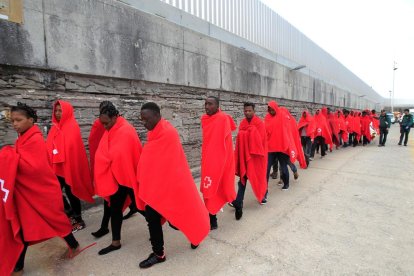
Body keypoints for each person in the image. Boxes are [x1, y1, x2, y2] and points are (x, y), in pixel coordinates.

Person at [0, 103, 81, 276]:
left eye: (19, 120)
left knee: (56, 221)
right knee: (23, 228)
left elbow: (33, 168)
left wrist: (8, 155)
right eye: (12, 120)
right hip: (27, 193)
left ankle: (74, 245)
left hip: (42, 191)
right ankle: (18, 266)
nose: (15, 124)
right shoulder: (22, 138)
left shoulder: (35, 139)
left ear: (31, 120)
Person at [135, 102, 210, 269]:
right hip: (155, 187)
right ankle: (158, 254)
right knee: (152, 218)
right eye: (142, 120)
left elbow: (173, 164)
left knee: (179, 218)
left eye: (146, 119)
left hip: (171, 185)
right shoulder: (153, 133)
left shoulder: (168, 133)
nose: (144, 123)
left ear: (157, 115)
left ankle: (195, 233)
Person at [94, 102, 142, 255]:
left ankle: (166, 226)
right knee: (115, 210)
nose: (104, 127)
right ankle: (115, 242)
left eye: (106, 123)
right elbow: (105, 153)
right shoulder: (111, 129)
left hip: (130, 179)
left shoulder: (126, 130)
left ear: (115, 117)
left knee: (145, 209)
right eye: (102, 124)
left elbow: (128, 156)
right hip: (116, 179)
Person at [46, 100, 95, 232]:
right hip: (56, 168)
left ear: (66, 111)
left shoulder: (71, 127)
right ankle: (70, 215)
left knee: (71, 192)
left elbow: (73, 150)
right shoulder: (54, 128)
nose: (57, 113)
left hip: (68, 167)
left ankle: (78, 219)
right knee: (53, 193)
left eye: (60, 110)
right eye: (55, 111)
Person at [200, 96, 236, 230]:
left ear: (217, 106)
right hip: (208, 160)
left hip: (222, 161)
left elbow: (225, 143)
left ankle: (237, 205)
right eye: (205, 104)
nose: (207, 107)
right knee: (208, 189)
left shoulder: (223, 119)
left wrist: (222, 162)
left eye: (210, 104)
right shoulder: (204, 119)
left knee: (225, 189)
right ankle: (212, 220)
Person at [230, 102, 267, 220]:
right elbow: (240, 139)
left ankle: (263, 195)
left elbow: (260, 140)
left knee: (259, 177)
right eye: (245, 111)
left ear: (254, 111)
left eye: (249, 111)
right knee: (243, 178)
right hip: (245, 156)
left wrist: (249, 132)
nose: (247, 113)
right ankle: (239, 202)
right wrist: (247, 133)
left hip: (256, 157)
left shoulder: (259, 123)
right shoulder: (242, 123)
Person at [265, 101, 306, 195]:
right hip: (271, 148)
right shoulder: (267, 118)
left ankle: (286, 184)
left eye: (272, 110)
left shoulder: (282, 116)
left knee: (283, 166)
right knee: (266, 168)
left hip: (282, 147)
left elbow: (288, 128)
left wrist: (289, 143)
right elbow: (265, 131)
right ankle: (264, 188)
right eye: (269, 110)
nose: (271, 112)